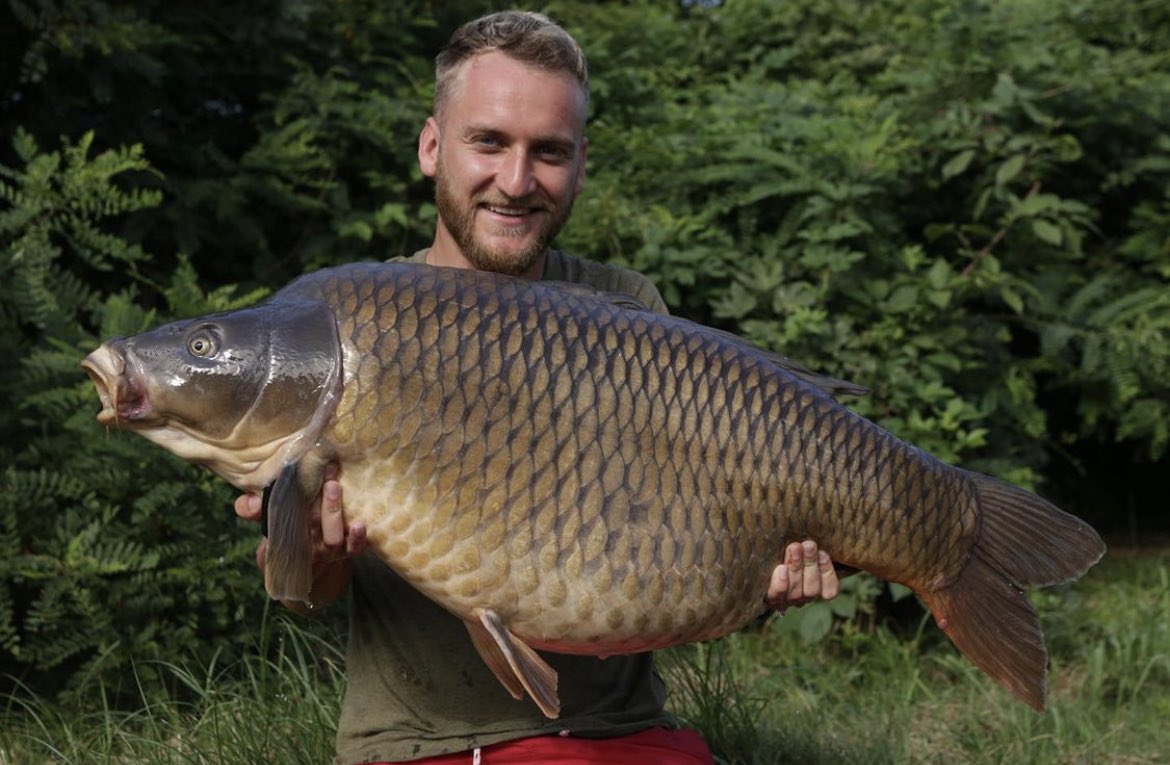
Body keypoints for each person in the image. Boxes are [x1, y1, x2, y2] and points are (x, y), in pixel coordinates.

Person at [235, 11, 841, 765]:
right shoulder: (351, 324)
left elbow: (681, 553)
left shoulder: (628, 309)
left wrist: (761, 578)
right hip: (422, 744)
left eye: (548, 152)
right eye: (487, 141)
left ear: (580, 164)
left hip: (620, 733)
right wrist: (316, 558)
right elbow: (300, 592)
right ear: (432, 146)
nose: (516, 182)